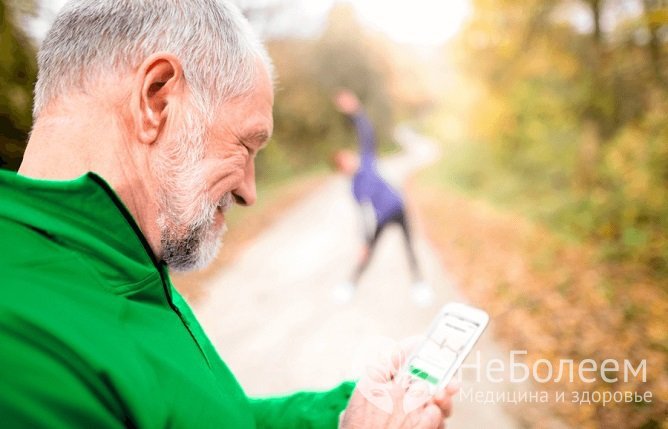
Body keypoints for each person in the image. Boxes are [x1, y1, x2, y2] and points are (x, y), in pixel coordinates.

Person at [0, 1, 455, 428]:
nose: (249, 191)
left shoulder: (124, 253)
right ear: (155, 100)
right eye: (246, 145)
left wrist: (344, 416)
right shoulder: (19, 347)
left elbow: (216, 415)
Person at [332, 90, 434, 306]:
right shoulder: (355, 187)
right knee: (368, 253)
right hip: (381, 218)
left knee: (410, 248)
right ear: (342, 169)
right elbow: (362, 215)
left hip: (399, 208)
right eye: (344, 162)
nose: (350, 159)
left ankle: (419, 285)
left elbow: (366, 132)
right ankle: (350, 284)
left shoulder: (367, 160)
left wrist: (355, 111)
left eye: (348, 156)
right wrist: (363, 241)